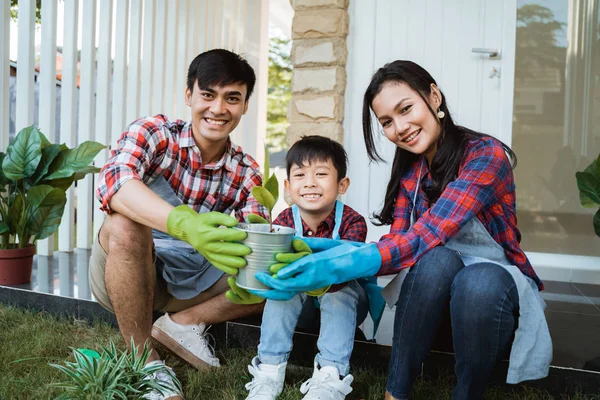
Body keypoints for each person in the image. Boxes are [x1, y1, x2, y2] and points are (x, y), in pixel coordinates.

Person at [251, 61, 552, 400]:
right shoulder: (412, 169)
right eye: (387, 122)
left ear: (434, 96)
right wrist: (330, 252)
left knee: (476, 279)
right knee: (436, 260)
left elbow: (425, 235)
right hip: (433, 302)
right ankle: (395, 392)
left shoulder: (484, 155)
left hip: (486, 307)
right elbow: (400, 241)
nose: (401, 127)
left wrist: (340, 265)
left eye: (406, 109)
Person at [90, 49, 270, 399]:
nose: (218, 109)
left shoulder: (247, 172)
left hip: (190, 289)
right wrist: (184, 224)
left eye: (232, 98)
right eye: (208, 94)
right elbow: (114, 183)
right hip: (127, 273)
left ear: (245, 105)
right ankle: (144, 361)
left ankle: (181, 325)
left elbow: (254, 237)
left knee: (270, 269)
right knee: (125, 224)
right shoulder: (155, 133)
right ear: (189, 95)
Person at [226, 135, 368, 400]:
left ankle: (329, 376)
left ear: (342, 184)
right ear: (288, 187)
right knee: (283, 287)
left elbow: (347, 269)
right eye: (300, 175)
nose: (311, 183)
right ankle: (269, 369)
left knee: (340, 292)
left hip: (342, 297)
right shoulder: (281, 222)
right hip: (299, 306)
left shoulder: (352, 222)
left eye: (322, 174)